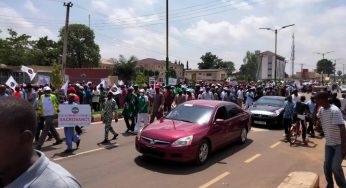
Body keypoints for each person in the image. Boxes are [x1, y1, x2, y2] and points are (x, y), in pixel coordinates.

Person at [0, 97, 81, 188]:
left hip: (61, 120)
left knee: (70, 134)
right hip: (48, 117)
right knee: (65, 133)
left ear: (24, 138)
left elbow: (77, 112)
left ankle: (73, 143)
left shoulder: (58, 185)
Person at [315, 92, 346, 188]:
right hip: (329, 144)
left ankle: (343, 185)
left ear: (323, 99)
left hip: (339, 144)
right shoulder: (321, 110)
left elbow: (342, 128)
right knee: (327, 166)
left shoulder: (334, 110)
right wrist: (315, 109)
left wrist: (344, 147)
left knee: (335, 167)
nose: (316, 101)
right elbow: (314, 120)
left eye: (317, 99)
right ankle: (330, 184)